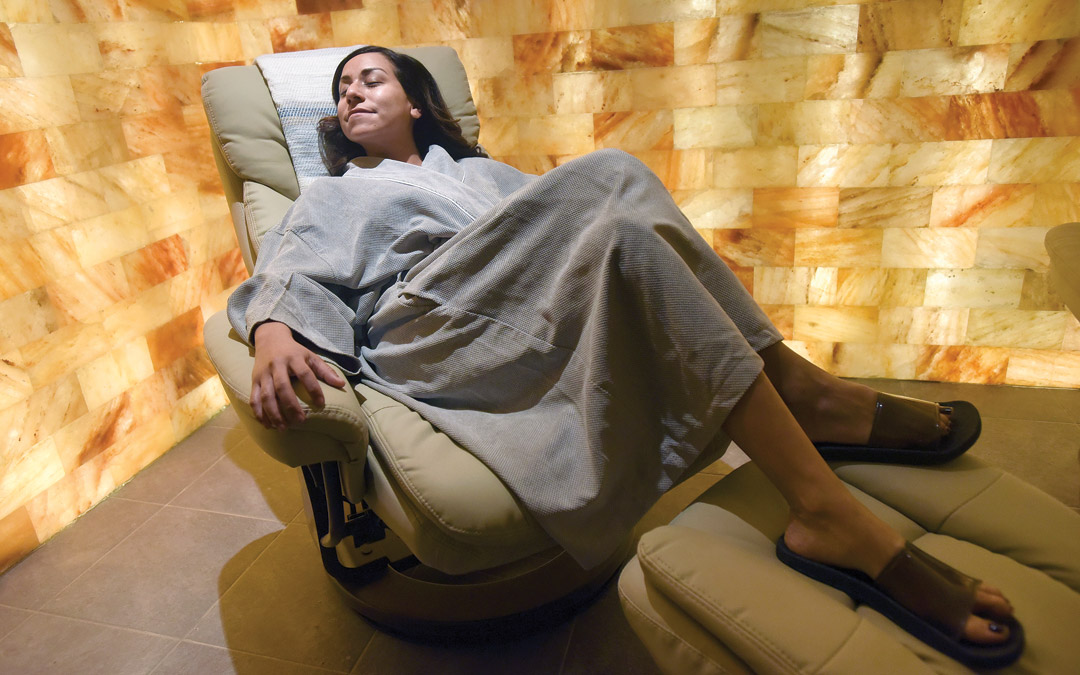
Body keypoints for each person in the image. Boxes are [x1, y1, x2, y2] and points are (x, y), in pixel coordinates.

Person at [227, 46, 1017, 657]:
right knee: (611, 173)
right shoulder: (335, 191)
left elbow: (587, 233)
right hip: (429, 327)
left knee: (624, 212)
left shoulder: (481, 172)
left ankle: (816, 453)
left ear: (416, 102)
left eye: (370, 80)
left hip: (519, 307)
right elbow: (284, 272)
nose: (351, 95)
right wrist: (270, 332)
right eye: (341, 91)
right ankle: (815, 426)